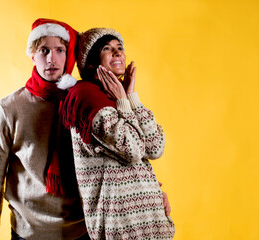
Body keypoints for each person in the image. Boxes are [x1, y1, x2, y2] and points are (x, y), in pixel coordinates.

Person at [0, 18, 88, 240]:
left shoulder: (85, 103)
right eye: (44, 50)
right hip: (27, 233)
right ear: (32, 54)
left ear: (69, 56)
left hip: (82, 230)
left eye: (60, 50)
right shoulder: (8, 109)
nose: (51, 59)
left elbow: (116, 159)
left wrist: (151, 192)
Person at [62, 28, 175, 239]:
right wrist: (123, 102)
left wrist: (131, 96)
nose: (117, 53)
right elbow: (132, 150)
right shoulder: (87, 97)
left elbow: (155, 147)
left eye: (120, 48)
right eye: (107, 48)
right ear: (91, 63)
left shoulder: (116, 96)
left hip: (150, 220)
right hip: (122, 226)